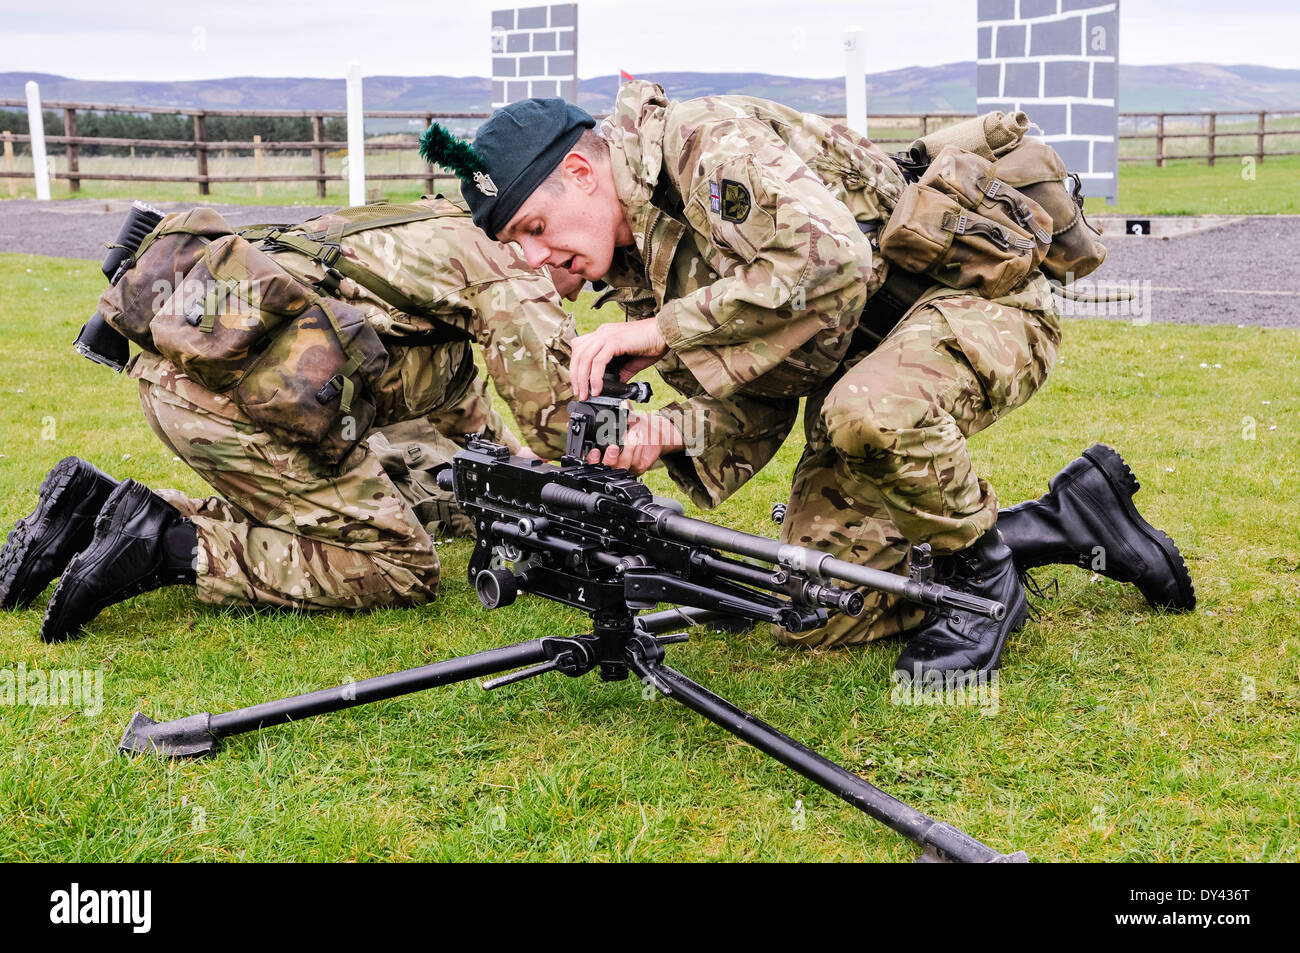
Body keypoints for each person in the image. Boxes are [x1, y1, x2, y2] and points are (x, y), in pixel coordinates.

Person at [418, 85, 1195, 684]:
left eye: (531, 229)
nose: (532, 260)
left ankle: (987, 580)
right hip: (868, 358)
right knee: (821, 610)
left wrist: (659, 332)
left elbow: (832, 264)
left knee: (868, 410)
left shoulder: (703, 147)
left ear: (581, 173)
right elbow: (756, 394)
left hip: (979, 306)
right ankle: (1066, 520)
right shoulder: (642, 258)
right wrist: (667, 433)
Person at [0, 195, 580, 641]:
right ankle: (166, 544)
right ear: (539, 238)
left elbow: (448, 393)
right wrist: (628, 442)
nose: (584, 289)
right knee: (400, 565)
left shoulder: (436, 228)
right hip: (240, 403)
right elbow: (562, 423)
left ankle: (93, 509)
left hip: (193, 379)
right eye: (586, 275)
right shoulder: (512, 271)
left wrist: (509, 466)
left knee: (336, 514)